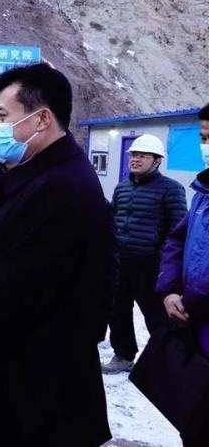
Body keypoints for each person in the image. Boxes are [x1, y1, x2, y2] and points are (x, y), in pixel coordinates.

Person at [0, 63, 118, 447]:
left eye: (2, 116)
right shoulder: (39, 173)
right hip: (29, 377)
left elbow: (15, 291)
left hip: (37, 392)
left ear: (41, 120)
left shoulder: (60, 189)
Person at [102, 134, 187, 374]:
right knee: (117, 310)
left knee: (157, 315)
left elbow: (178, 229)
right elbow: (113, 220)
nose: (135, 159)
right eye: (133, 155)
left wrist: (162, 259)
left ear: (157, 161)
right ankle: (124, 354)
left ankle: (167, 360)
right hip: (121, 260)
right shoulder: (122, 188)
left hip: (151, 264)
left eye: (142, 156)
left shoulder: (171, 189)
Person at [155, 103, 209, 445]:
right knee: (195, 422)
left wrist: (191, 300)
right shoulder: (203, 192)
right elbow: (178, 239)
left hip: (197, 312)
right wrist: (170, 289)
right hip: (195, 328)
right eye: (205, 137)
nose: (206, 146)